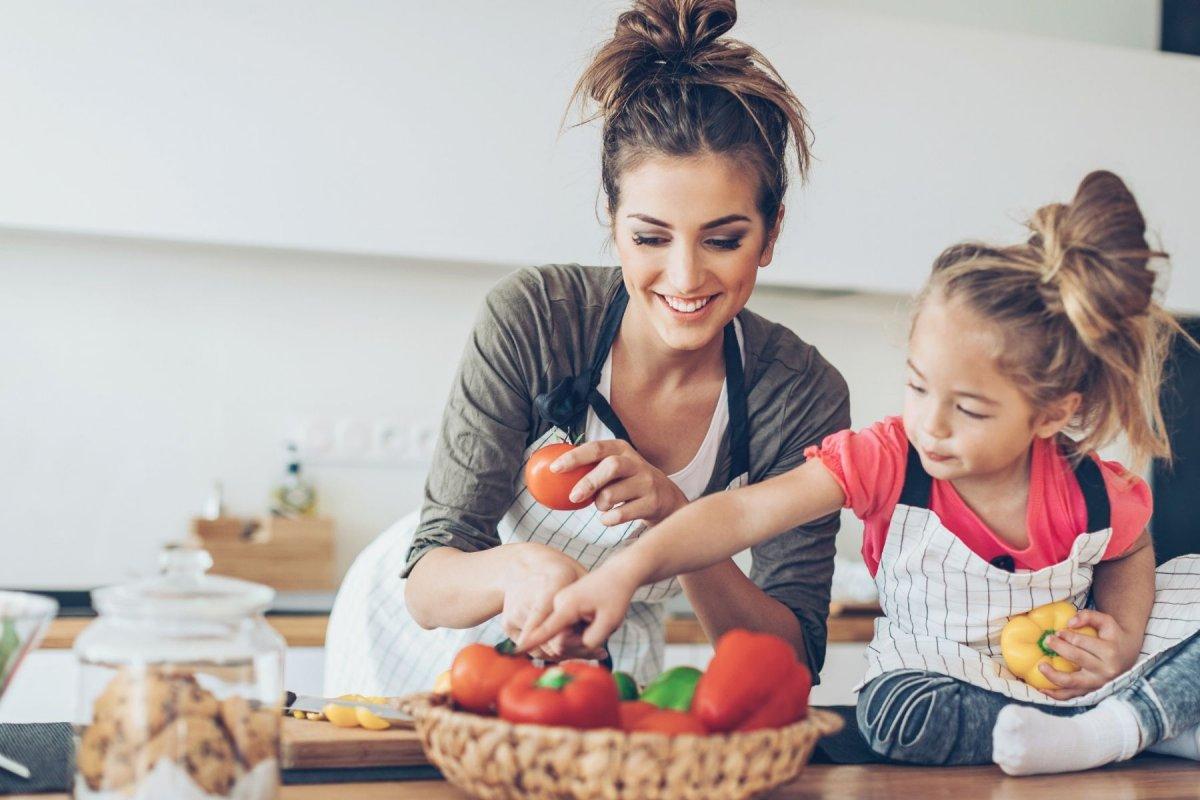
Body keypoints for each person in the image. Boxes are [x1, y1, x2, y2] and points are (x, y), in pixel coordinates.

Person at [520, 170, 1200, 773]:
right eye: (917, 386)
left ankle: (1112, 723)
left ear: (1053, 412)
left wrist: (1120, 635)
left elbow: (1131, 545)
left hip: (1066, 682)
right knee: (893, 716)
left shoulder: (1090, 487)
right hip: (940, 681)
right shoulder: (888, 457)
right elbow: (740, 513)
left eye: (967, 409)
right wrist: (623, 572)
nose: (929, 423)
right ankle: (1131, 726)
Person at [324, 0, 850, 696]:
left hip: (599, 660)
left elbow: (791, 660)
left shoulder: (799, 392)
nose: (686, 277)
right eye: (650, 237)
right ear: (612, 220)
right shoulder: (539, 317)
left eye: (724, 240)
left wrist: (680, 522)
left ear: (772, 230)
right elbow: (428, 581)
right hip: (421, 644)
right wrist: (523, 567)